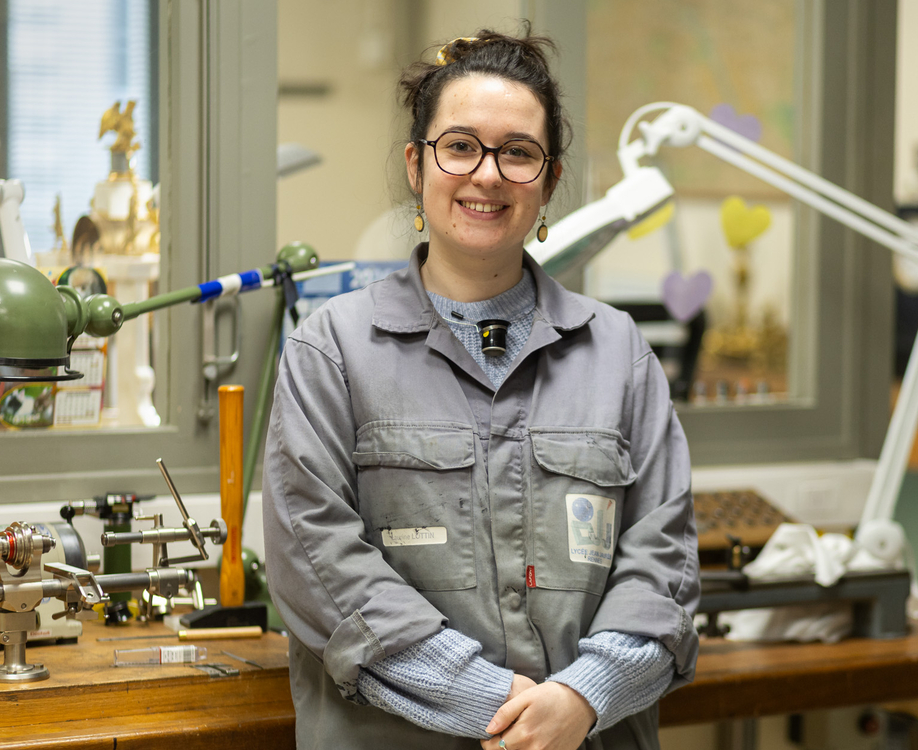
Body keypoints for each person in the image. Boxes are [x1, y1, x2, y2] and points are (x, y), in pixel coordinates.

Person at [262, 28, 699, 750]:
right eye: (460, 145)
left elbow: (665, 566)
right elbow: (318, 568)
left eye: (518, 153)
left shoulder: (619, 355)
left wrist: (583, 697)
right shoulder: (331, 350)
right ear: (416, 164)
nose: (487, 174)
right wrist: (489, 701)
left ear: (550, 180)